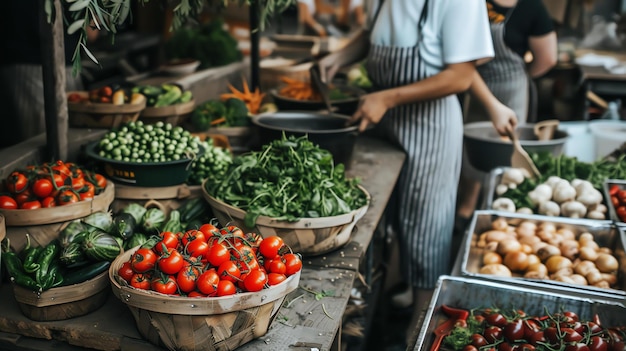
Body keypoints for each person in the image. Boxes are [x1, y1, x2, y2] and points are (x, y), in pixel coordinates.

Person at [317, 0, 515, 342]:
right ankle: (399, 294)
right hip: (384, 122)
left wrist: (387, 99)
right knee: (388, 218)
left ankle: (422, 328)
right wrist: (339, 56)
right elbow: (371, 37)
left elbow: (461, 74)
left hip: (430, 124)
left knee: (427, 226)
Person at [455, 0, 558, 233]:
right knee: (472, 147)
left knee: (504, 150)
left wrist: (522, 77)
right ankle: (466, 208)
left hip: (512, 88)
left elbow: (548, 58)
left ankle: (497, 211)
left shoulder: (531, 8)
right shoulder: (473, 3)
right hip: (474, 82)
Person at [0, 1, 99, 149]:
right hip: (29, 66)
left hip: (64, 66)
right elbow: (92, 32)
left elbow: (91, 32)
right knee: (40, 144)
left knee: (64, 143)